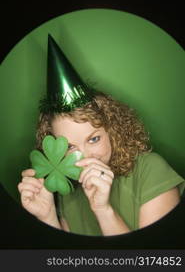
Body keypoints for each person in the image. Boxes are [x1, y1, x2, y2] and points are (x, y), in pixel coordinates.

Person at [18, 35, 185, 236]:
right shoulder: (67, 190)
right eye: (70, 147)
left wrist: (103, 210)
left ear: (113, 129)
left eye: (94, 139)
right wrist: (48, 217)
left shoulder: (150, 170)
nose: (86, 158)